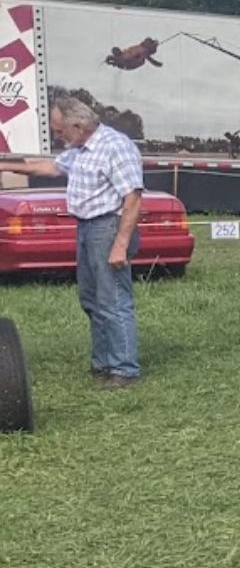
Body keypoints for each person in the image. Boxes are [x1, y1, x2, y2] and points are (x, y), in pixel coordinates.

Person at [0, 97, 145, 387]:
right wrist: (5, 165)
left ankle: (125, 369)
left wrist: (120, 244)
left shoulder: (115, 146)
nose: (58, 136)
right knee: (91, 299)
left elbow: (133, 198)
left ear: (78, 126)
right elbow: (48, 168)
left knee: (113, 299)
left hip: (109, 227)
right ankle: (104, 362)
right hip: (87, 228)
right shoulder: (80, 149)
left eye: (60, 130)